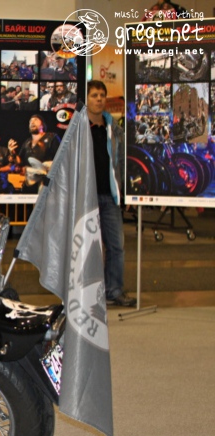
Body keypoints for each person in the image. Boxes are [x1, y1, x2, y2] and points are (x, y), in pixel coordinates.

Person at [87, 80, 135, 307]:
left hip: (110, 197)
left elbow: (121, 162)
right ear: (86, 99)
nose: (99, 99)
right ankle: (87, 294)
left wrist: (125, 192)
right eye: (94, 95)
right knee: (88, 249)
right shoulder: (78, 129)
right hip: (86, 199)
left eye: (102, 95)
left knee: (116, 246)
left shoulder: (114, 129)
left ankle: (114, 290)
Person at [13, 114, 60, 193]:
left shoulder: (51, 137)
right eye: (30, 121)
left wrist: (48, 166)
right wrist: (13, 152)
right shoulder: (27, 142)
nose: (32, 122)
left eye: (35, 120)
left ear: (42, 125)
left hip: (48, 181)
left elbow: (61, 158)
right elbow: (19, 162)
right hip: (31, 182)